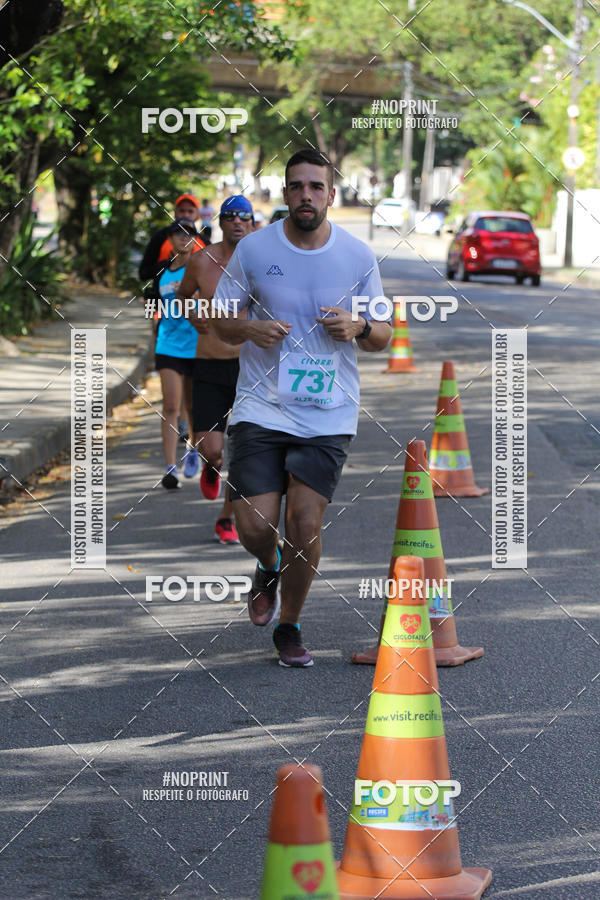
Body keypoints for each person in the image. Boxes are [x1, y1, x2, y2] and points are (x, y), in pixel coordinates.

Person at [211, 148, 391, 667]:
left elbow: (383, 332)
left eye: (316, 186)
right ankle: (266, 564)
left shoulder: (357, 256)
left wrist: (358, 327)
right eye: (297, 186)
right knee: (254, 526)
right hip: (260, 408)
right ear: (286, 193)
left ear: (331, 194)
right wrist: (250, 328)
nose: (306, 195)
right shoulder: (253, 250)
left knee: (305, 524)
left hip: (328, 410)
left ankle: (289, 623)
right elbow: (221, 320)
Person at [176, 196, 255, 544]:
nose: (238, 222)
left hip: (250, 367)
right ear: (221, 222)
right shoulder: (200, 261)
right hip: (208, 363)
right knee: (212, 448)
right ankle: (210, 465)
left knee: (241, 449)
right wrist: (191, 312)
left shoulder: (262, 263)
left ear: (252, 223)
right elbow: (181, 296)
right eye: (231, 217)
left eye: (244, 217)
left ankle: (227, 517)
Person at [154, 219, 201, 490]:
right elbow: (153, 306)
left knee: (192, 406)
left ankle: (193, 448)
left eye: (189, 234)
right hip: (168, 345)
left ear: (195, 239)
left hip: (195, 345)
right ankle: (170, 467)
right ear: (170, 240)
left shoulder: (201, 268)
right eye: (178, 234)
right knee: (171, 406)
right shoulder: (161, 272)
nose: (184, 238)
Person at [138, 193, 205, 289]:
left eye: (190, 211)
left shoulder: (204, 241)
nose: (186, 214)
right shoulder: (160, 237)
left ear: (197, 215)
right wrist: (167, 266)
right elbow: (143, 273)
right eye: (182, 210)